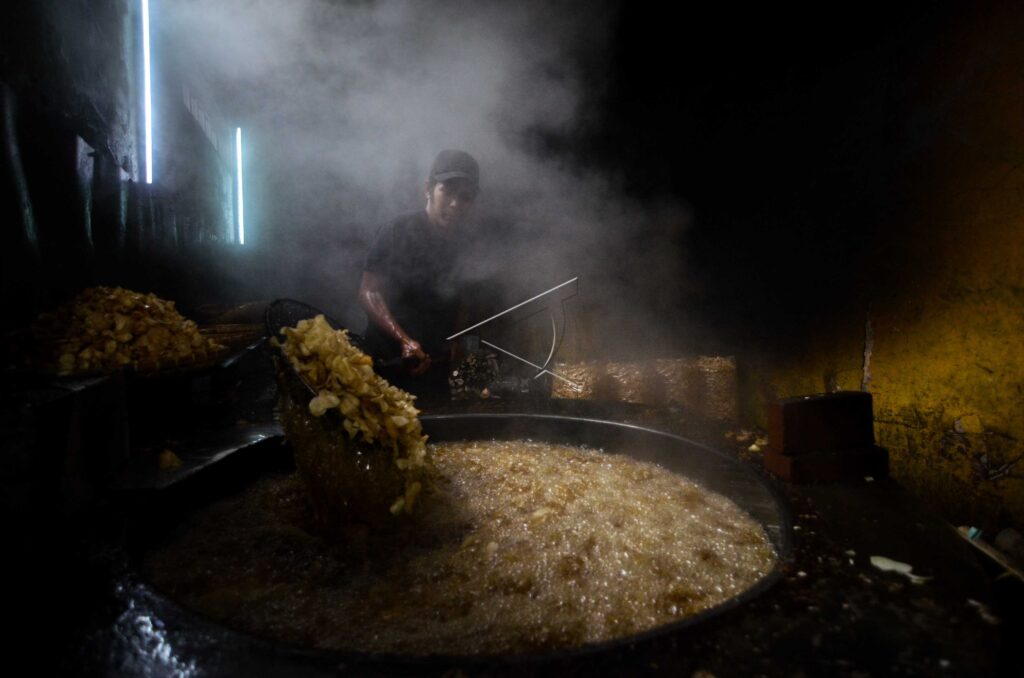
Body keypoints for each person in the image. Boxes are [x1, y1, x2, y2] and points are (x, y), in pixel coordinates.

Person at [358, 149, 480, 389]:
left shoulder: (468, 245)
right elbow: (368, 292)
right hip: (386, 364)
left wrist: (458, 341)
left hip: (433, 370)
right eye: (447, 191)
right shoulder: (397, 231)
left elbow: (465, 300)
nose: (455, 203)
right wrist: (404, 340)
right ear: (428, 189)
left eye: (465, 197)